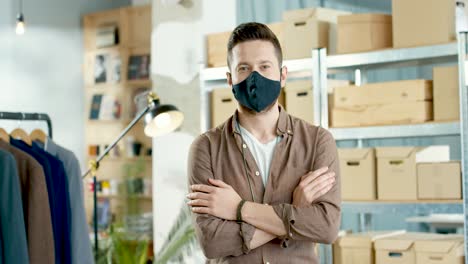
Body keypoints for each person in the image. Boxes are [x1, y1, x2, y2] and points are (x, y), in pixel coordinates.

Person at [187, 22, 341, 264]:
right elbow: (212, 242)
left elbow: (326, 227)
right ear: (230, 79)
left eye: (264, 67)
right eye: (244, 68)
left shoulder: (317, 141)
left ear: (282, 76)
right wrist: (294, 211)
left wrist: (238, 209)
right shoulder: (206, 148)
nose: (254, 77)